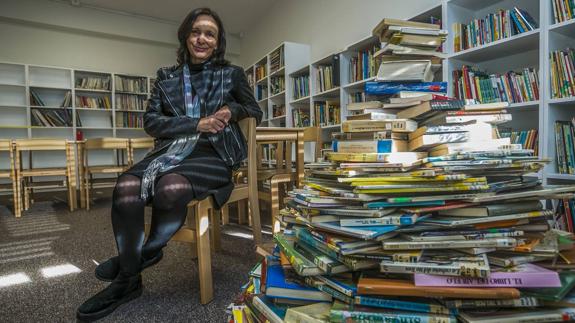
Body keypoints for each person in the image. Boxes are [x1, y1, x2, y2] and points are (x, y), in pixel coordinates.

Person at [76, 7, 262, 321]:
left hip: (213, 156)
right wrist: (195, 124)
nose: (202, 38)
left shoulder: (231, 74)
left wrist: (232, 109)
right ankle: (132, 280)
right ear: (185, 37)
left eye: (210, 33)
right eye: (196, 31)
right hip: (169, 153)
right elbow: (152, 123)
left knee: (170, 188)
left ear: (218, 43)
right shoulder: (166, 77)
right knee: (125, 186)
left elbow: (253, 109)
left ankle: (131, 265)